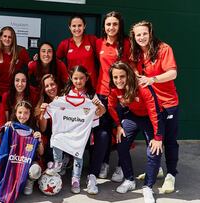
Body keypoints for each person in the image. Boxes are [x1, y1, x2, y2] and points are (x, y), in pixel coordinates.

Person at [130, 20, 179, 194]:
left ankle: (171, 174)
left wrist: (153, 79)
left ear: (150, 33)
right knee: (153, 140)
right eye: (138, 35)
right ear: (134, 37)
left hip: (168, 104)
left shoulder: (164, 49)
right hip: (149, 105)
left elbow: (173, 73)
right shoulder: (136, 53)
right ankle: (157, 169)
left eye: (144, 33)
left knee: (169, 142)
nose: (141, 37)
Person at [107, 61, 164, 202]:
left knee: (154, 150)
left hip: (151, 118)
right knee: (121, 143)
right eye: (115, 77)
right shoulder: (114, 88)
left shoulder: (141, 87)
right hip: (133, 117)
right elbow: (111, 106)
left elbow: (154, 111)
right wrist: (119, 125)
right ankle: (129, 180)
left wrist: (157, 137)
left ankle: (148, 187)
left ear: (128, 76)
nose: (119, 80)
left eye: (122, 76)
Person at [43, 66, 105, 194]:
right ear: (71, 78)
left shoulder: (91, 97)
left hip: (82, 134)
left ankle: (75, 178)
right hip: (67, 132)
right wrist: (54, 104)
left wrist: (98, 106)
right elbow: (57, 111)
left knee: (78, 149)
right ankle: (58, 163)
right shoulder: (65, 95)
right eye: (75, 78)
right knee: (57, 138)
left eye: (81, 78)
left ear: (86, 78)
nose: (78, 81)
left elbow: (101, 112)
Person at [94, 11, 131, 182]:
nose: (111, 27)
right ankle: (104, 162)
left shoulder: (126, 43)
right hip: (102, 93)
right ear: (104, 26)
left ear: (119, 25)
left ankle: (121, 166)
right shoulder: (98, 42)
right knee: (104, 131)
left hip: (121, 95)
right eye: (108, 24)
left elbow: (132, 68)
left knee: (121, 131)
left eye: (114, 24)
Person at [0, 101, 44, 201]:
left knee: (35, 171)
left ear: (30, 114)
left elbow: (41, 152)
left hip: (27, 163)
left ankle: (28, 182)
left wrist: (40, 140)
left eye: (26, 113)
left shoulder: (34, 130)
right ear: (15, 113)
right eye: (20, 112)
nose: (22, 116)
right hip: (12, 162)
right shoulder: (10, 127)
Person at [0, 26, 31, 99]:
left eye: (10, 37)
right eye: (5, 36)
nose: (7, 39)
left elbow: (30, 69)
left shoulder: (21, 51)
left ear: (13, 39)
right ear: (0, 37)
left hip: (15, 92)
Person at [56, 14, 98, 87]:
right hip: (73, 85)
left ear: (84, 26)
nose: (77, 28)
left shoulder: (92, 40)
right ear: (69, 27)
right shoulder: (65, 44)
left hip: (91, 85)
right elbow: (55, 61)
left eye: (79, 25)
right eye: (74, 26)